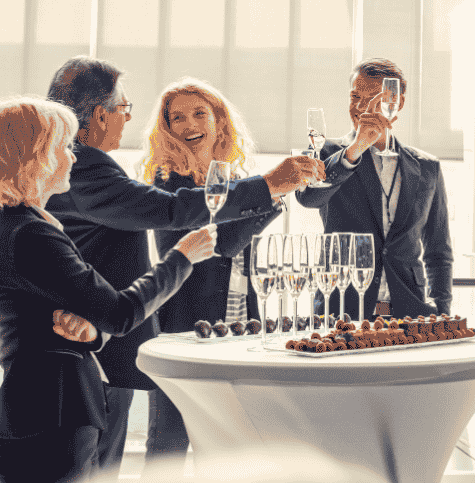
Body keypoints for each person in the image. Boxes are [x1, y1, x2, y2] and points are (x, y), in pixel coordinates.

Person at [44, 56, 316, 481]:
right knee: (115, 461)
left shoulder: (75, 162)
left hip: (102, 336)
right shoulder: (90, 166)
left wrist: (267, 192)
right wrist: (269, 187)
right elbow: (175, 212)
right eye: (124, 109)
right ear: (100, 115)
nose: (127, 119)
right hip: (103, 337)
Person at [0, 96, 217, 483]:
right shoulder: (31, 233)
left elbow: (44, 315)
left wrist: (91, 330)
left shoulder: (19, 223)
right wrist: (182, 258)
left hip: (39, 403)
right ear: (40, 157)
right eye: (65, 147)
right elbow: (120, 313)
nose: (73, 157)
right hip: (56, 407)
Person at [135, 77, 323, 469]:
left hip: (238, 328)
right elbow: (218, 248)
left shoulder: (238, 183)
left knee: (228, 445)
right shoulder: (166, 186)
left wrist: (269, 192)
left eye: (199, 113)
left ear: (219, 121)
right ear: (167, 130)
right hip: (183, 331)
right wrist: (274, 192)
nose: (189, 125)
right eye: (178, 118)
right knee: (168, 441)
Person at [297, 58, 452, 320]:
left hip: (410, 313)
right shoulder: (325, 153)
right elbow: (308, 197)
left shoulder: (427, 168)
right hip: (341, 311)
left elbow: (439, 250)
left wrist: (442, 309)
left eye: (373, 99)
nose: (361, 107)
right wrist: (355, 150)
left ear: (397, 103)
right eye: (355, 96)